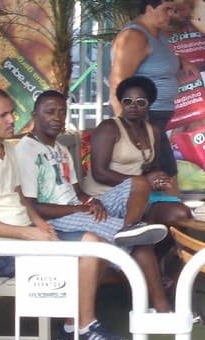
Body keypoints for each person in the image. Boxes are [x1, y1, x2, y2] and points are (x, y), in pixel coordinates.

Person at [0, 87, 127, 340]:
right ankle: (83, 328)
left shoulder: (6, 150)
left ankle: (73, 327)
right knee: (86, 253)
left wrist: (38, 224)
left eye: (11, 113)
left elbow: (21, 195)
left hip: (27, 237)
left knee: (97, 244)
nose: (11, 119)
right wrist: (29, 234)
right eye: (2, 115)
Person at [15, 90, 172, 312]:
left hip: (79, 210)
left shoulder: (60, 148)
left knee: (139, 183)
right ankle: (161, 308)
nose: (57, 118)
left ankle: (128, 227)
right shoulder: (26, 150)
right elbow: (33, 207)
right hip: (57, 219)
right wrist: (78, 208)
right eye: (50, 112)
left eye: (62, 112)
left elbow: (77, 191)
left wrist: (91, 201)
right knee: (140, 241)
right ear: (35, 115)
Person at [108, 0, 199, 180]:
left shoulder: (158, 35)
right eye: (166, 9)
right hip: (144, 117)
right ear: (149, 8)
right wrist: (127, 127)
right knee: (165, 174)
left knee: (160, 174)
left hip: (158, 117)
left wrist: (182, 62)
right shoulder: (134, 37)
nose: (170, 15)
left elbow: (158, 61)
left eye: (172, 10)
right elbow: (118, 82)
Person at [81, 76, 193, 228]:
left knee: (180, 213)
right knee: (146, 192)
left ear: (149, 104)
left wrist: (159, 179)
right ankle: (129, 232)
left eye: (140, 102)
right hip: (104, 197)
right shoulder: (109, 128)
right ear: (121, 103)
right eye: (127, 101)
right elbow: (99, 173)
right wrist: (145, 181)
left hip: (138, 195)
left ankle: (148, 238)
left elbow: (153, 167)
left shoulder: (152, 130)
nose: (133, 106)